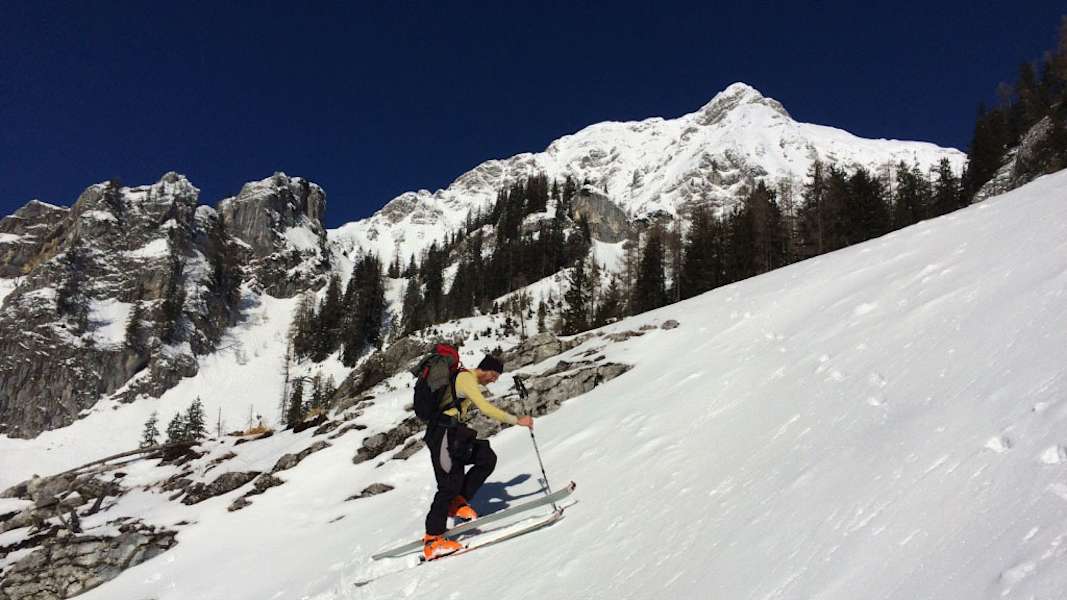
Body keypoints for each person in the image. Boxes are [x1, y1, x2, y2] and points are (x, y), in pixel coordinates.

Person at [422, 355, 534, 560]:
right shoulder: (466, 379)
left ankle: (458, 501)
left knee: (486, 457)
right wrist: (516, 420)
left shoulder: (468, 380)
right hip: (442, 434)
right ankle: (432, 540)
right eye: (494, 375)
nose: (494, 380)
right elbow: (485, 407)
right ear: (486, 369)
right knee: (448, 484)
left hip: (455, 433)